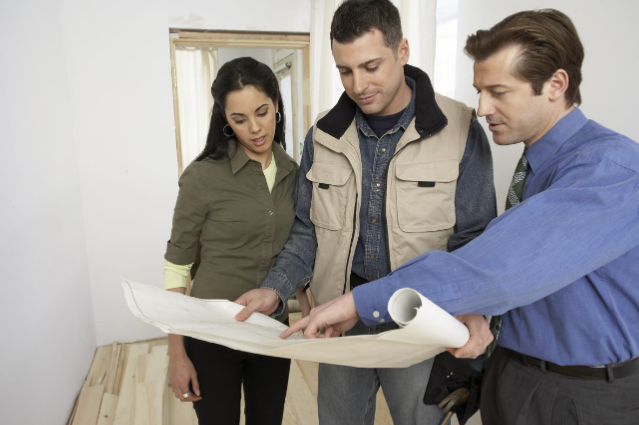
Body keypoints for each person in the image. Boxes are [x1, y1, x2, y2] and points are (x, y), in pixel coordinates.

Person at [283, 9, 639, 424]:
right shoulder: (539, 165)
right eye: (479, 90)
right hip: (513, 371)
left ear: (556, 85)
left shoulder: (608, 171)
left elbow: (498, 267)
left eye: (499, 92)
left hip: (580, 393)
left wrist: (363, 301)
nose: (483, 107)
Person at [235, 1, 497, 423]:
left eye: (371, 66)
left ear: (403, 51)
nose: (358, 84)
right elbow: (308, 232)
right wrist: (275, 287)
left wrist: (473, 312)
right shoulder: (321, 135)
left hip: (421, 324)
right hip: (340, 319)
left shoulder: (462, 129)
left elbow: (476, 240)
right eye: (345, 70)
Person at [163, 57, 306, 425]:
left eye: (262, 112)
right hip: (211, 332)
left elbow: (297, 243)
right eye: (239, 119)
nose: (255, 128)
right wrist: (176, 355)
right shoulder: (201, 178)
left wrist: (307, 302)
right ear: (225, 121)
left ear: (277, 103)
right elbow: (177, 267)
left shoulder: (294, 172)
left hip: (273, 328)